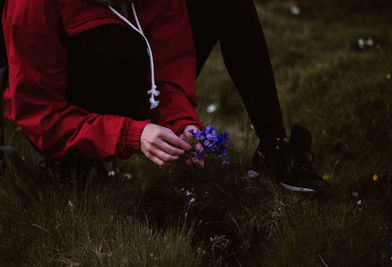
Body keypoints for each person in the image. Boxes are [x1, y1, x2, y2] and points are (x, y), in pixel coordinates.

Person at [2, 0, 329, 192]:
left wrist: (181, 122)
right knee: (123, 46)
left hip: (134, 80)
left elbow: (169, 68)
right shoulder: (29, 7)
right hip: (70, 107)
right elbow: (40, 115)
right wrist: (132, 134)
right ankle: (75, 163)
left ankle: (274, 148)